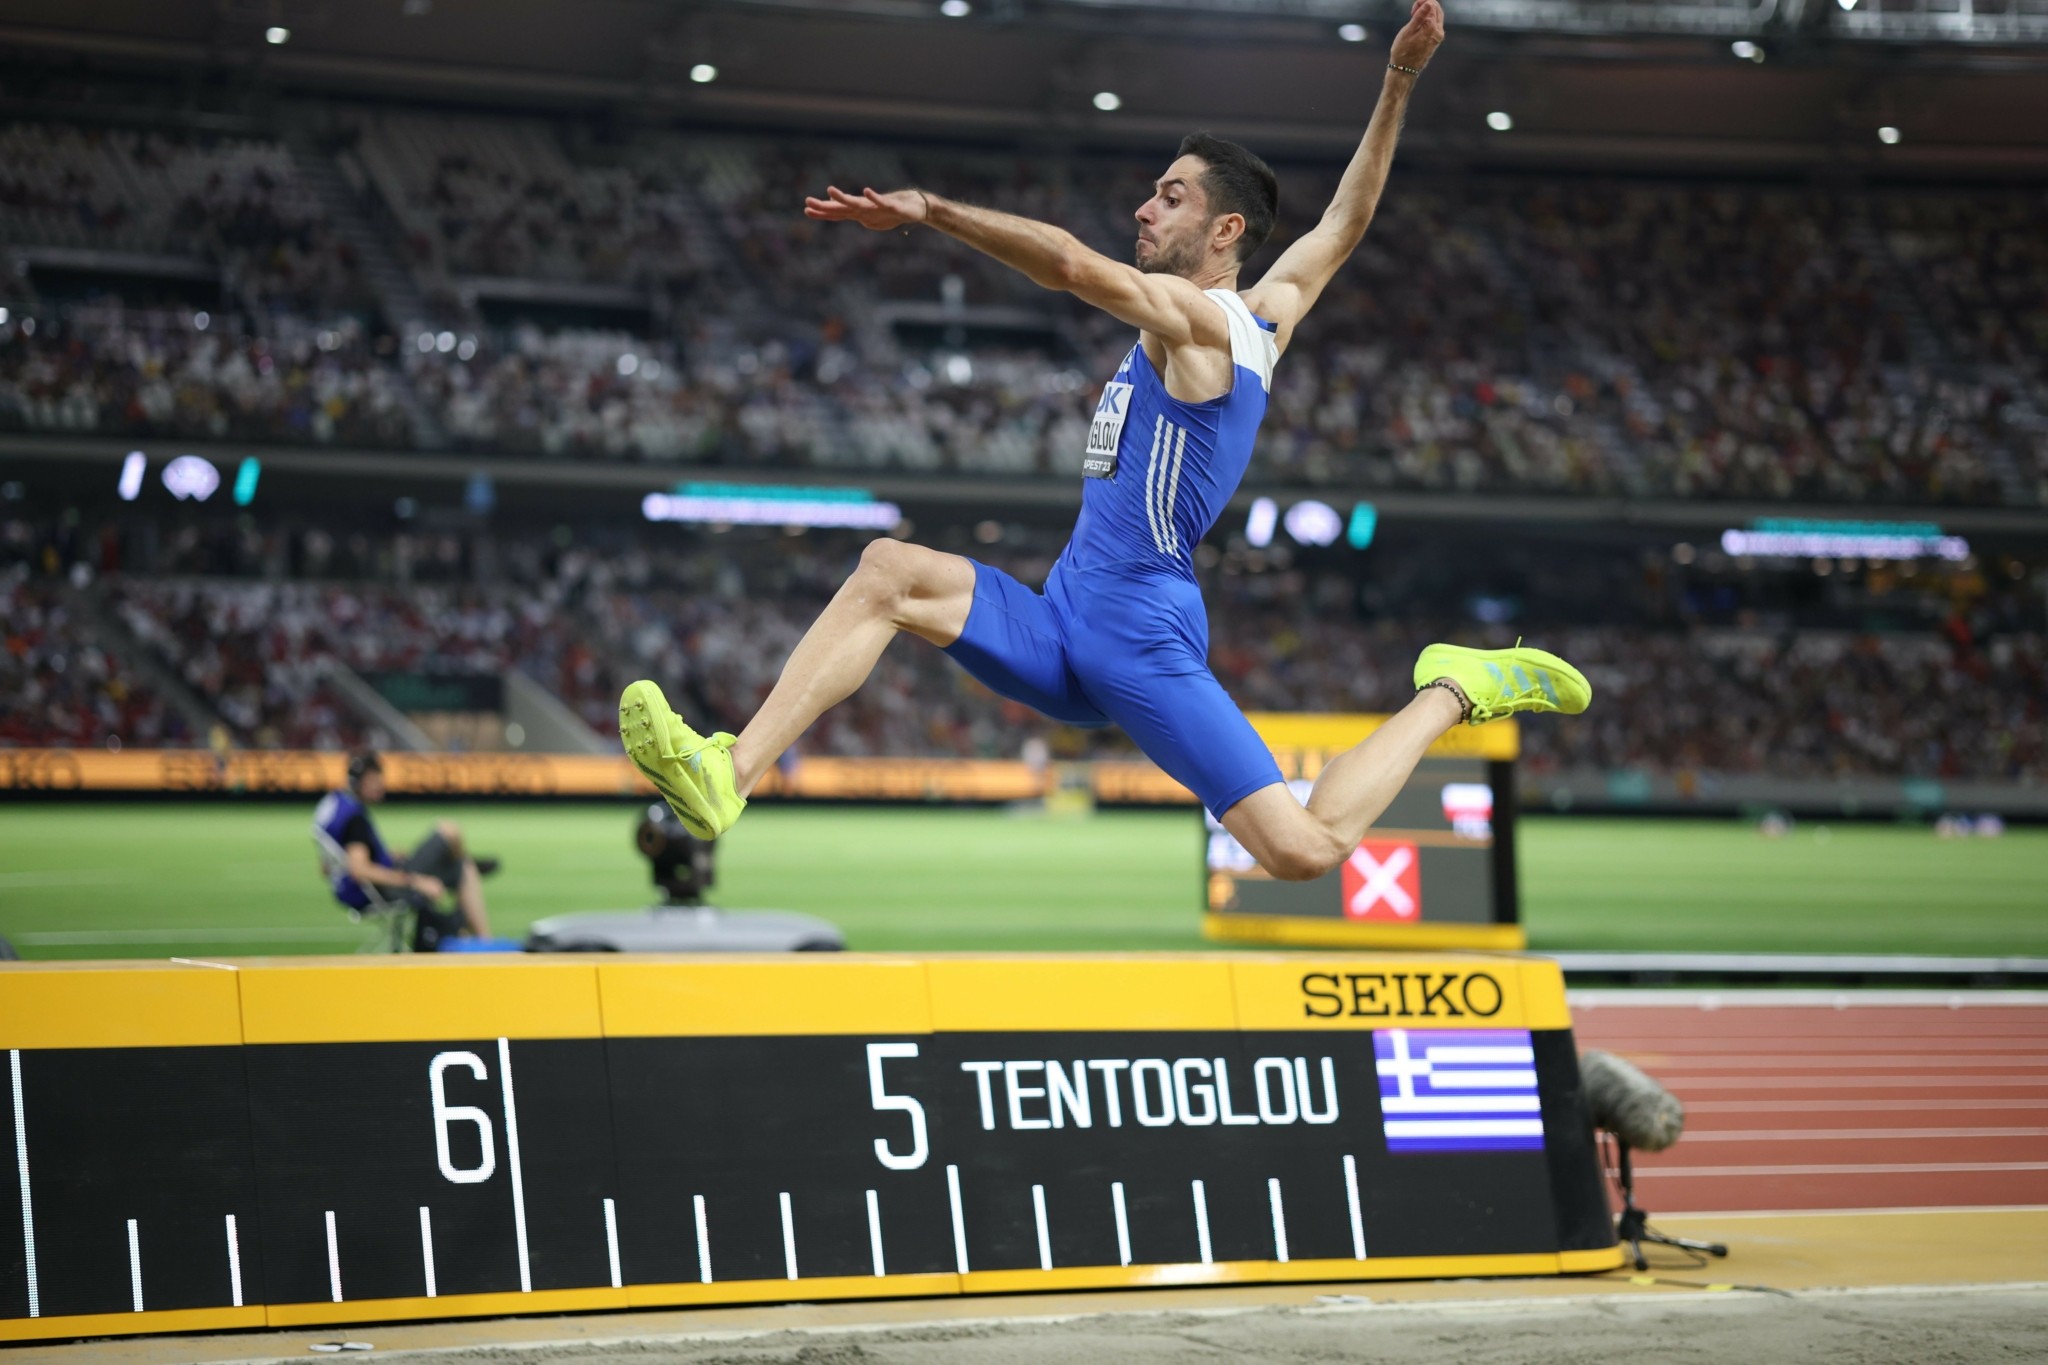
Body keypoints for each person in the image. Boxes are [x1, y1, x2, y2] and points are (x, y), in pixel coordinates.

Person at [622, 0, 1591, 883]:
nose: (1143, 206)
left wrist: (933, 210)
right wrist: (1397, 79)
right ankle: (727, 773)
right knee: (885, 570)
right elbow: (1345, 220)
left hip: (1136, 634)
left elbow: (1068, 266)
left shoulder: (1204, 325)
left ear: (1225, 231)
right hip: (1063, 615)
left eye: (1169, 196)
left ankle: (1451, 690)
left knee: (1301, 850)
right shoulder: (1270, 310)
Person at [312, 750, 497, 950]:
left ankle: (480, 937)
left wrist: (382, 857)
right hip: (380, 890)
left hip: (357, 888)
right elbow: (360, 870)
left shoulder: (334, 804)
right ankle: (484, 943)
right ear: (359, 783)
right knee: (450, 832)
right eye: (373, 780)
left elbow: (326, 866)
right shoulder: (355, 820)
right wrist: (416, 882)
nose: (380, 784)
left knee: (463, 866)